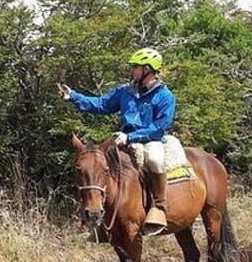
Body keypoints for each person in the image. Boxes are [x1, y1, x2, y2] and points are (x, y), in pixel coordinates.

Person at [60, 48, 175, 235]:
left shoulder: (165, 96)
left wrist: (131, 137)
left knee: (154, 159)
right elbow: (102, 104)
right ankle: (105, 215)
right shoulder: (125, 91)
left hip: (150, 139)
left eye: (136, 67)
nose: (133, 70)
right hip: (123, 138)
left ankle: (159, 208)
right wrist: (74, 96)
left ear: (148, 69)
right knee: (98, 163)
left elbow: (159, 127)